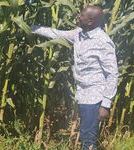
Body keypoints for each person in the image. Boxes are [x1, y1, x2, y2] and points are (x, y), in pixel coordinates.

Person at [30, 5, 118, 150]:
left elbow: (112, 74)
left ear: (90, 21)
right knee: (86, 134)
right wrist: (30, 28)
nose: (78, 17)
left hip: (95, 96)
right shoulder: (79, 34)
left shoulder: (103, 42)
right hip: (82, 94)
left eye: (81, 15)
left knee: (88, 138)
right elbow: (56, 33)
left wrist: (105, 104)